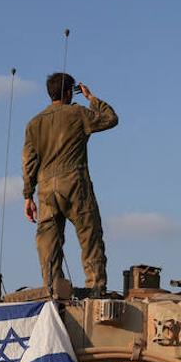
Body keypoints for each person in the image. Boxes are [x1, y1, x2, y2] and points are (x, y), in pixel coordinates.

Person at [22, 72, 118, 296]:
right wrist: (91, 98)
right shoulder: (77, 113)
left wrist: (28, 195)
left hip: (46, 191)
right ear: (68, 92)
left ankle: (54, 289)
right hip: (75, 183)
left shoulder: (34, 123)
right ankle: (95, 289)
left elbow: (29, 160)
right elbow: (110, 118)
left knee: (48, 244)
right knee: (89, 235)